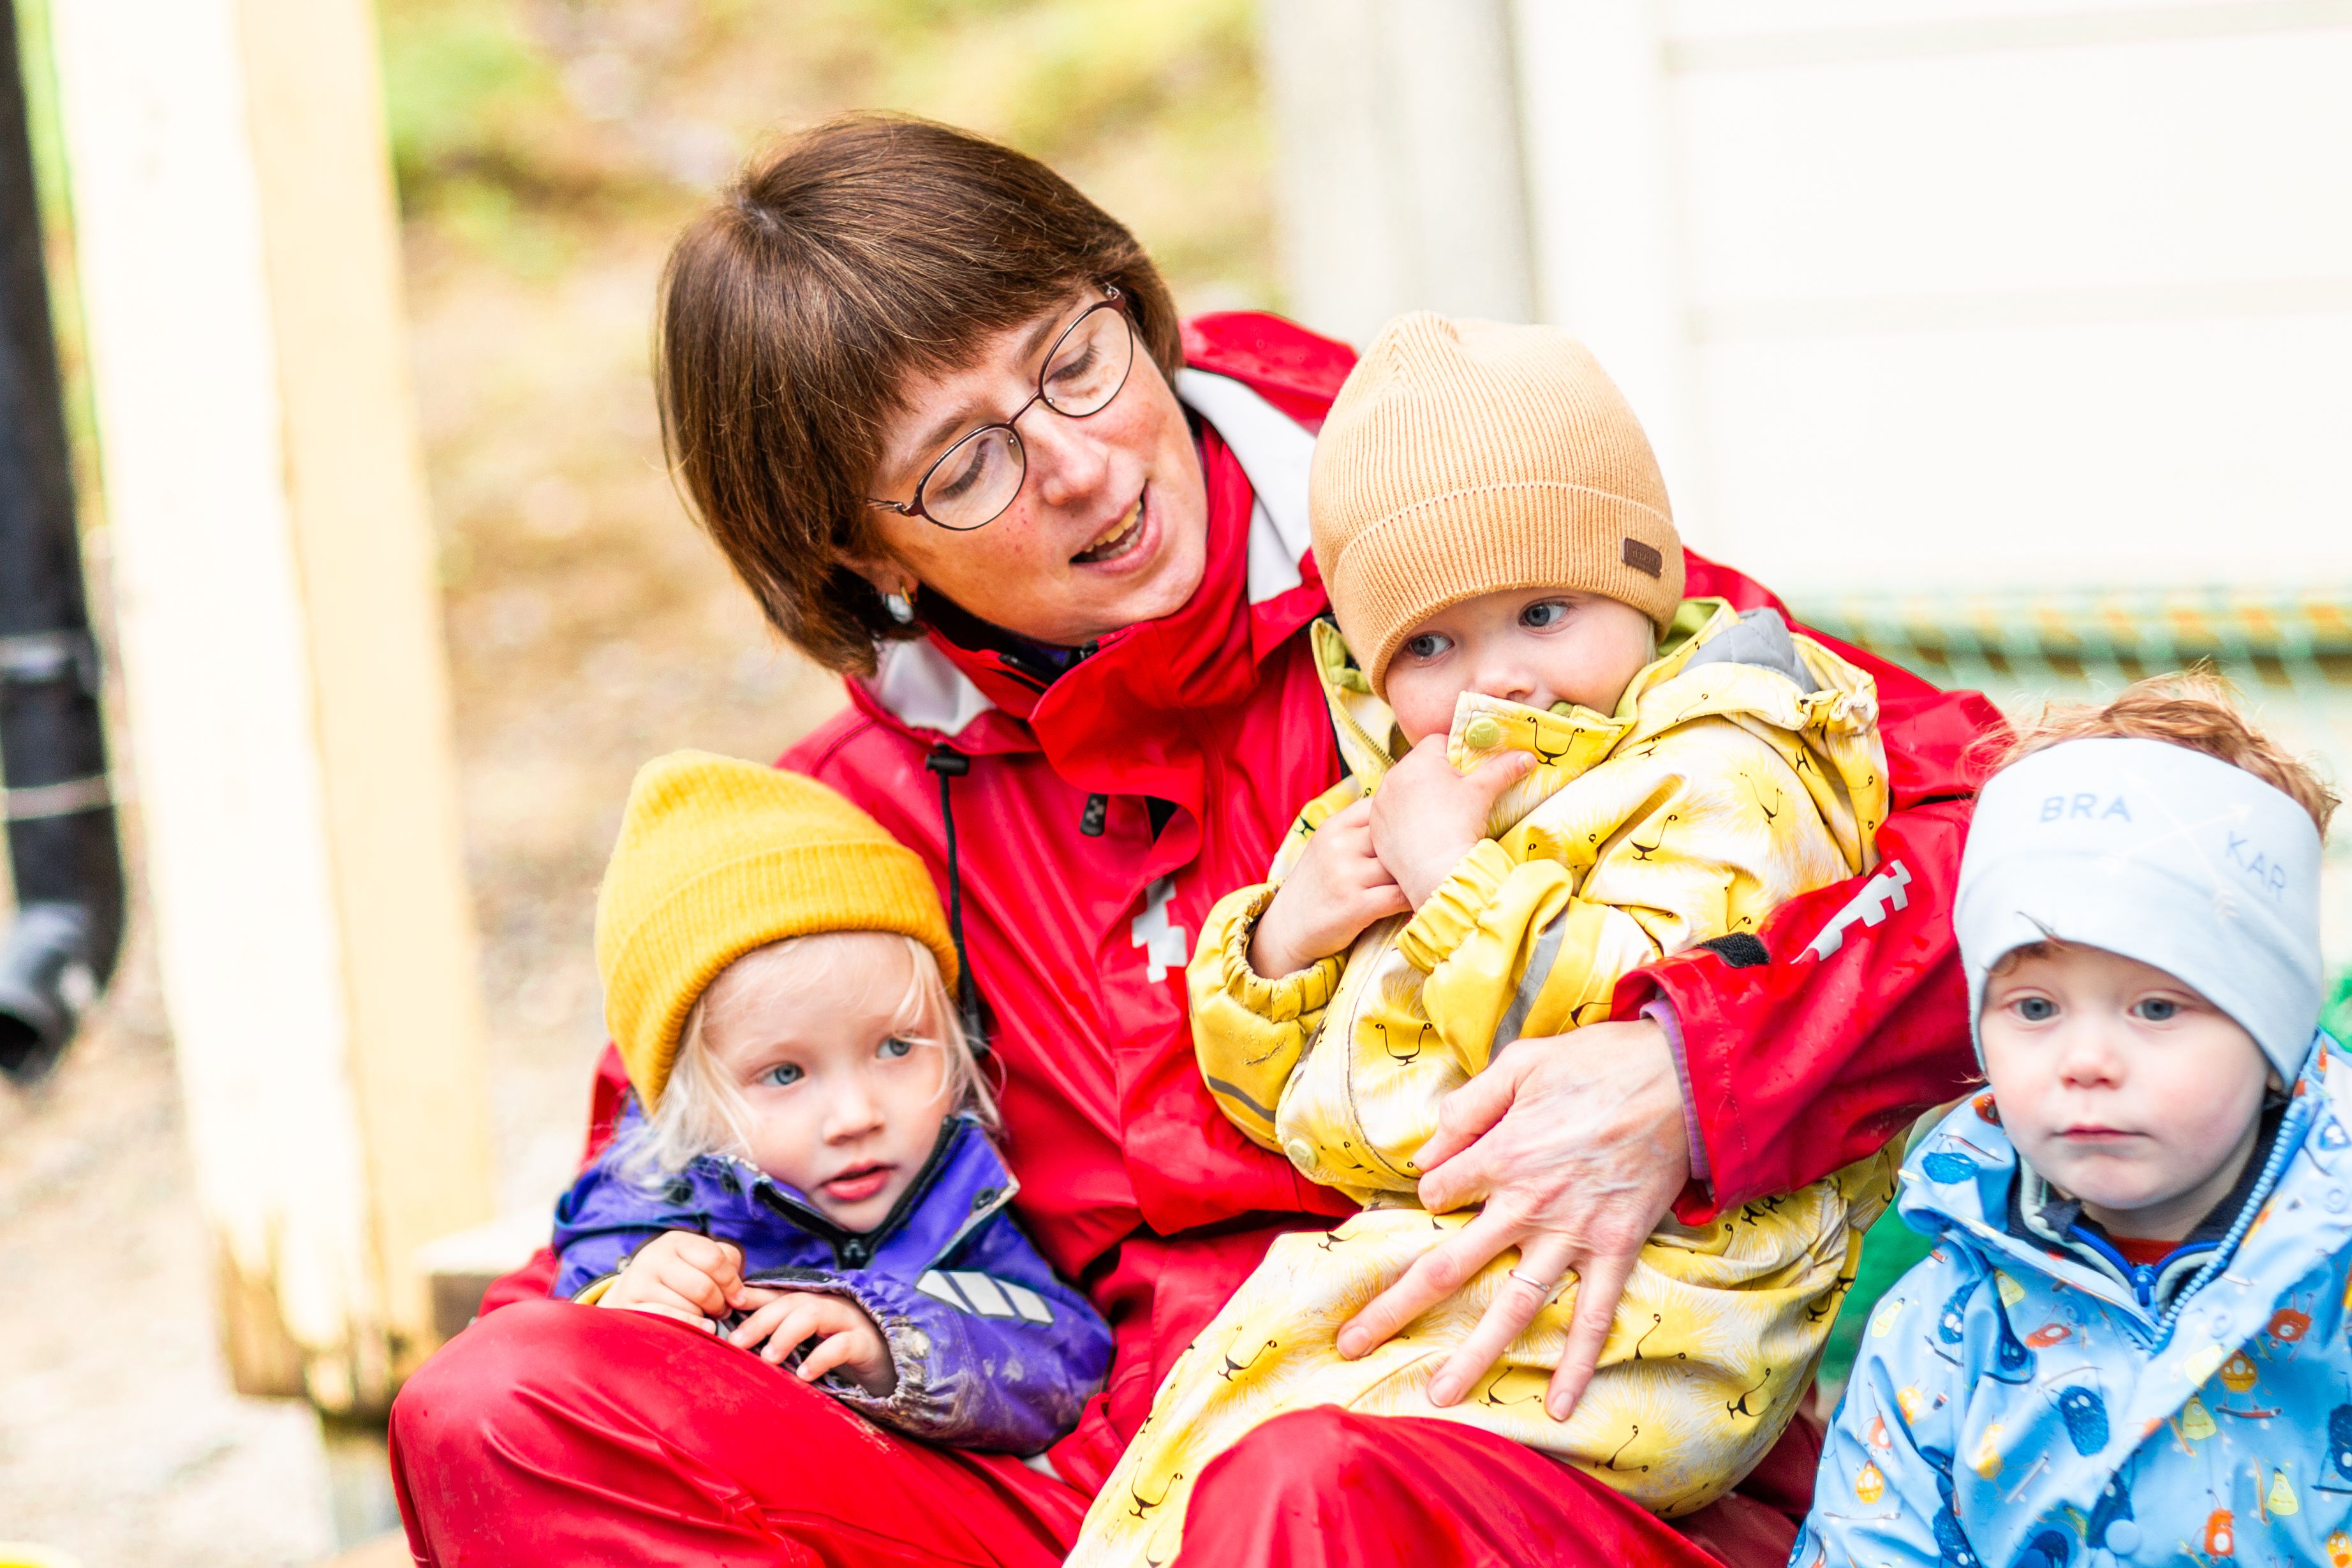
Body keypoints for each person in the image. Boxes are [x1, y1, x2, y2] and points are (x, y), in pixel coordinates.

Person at [390, 114, 2002, 1568]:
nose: (1083, 463)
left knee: (1288, 1498)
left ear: (1129, 293)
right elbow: (654, 1189)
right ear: (854, 556)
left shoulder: (1458, 571)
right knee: (501, 1407)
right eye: (963, 466)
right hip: (1083, 1467)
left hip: (1511, 1440)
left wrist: (1696, 1070)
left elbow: (2003, 828)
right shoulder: (855, 818)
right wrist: (639, 1295)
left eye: (1075, 359)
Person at [1074, 314, 1905, 1566]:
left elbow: (1592, 1045)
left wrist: (1451, 879)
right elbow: (1293, 1107)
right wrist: (1283, 941)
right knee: (1188, 1475)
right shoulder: (1406, 796)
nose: (1501, 679)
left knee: (1267, 1476)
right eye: (1431, 644)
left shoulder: (1728, 765)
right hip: (1450, 1256)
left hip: (1654, 1299)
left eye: (1542, 609)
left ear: (1643, 586)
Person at [1793, 676, 2346, 1568]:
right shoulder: (1943, 1323)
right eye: (2034, 1007)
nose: (2083, 1059)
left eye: (2157, 1008)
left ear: (2273, 1026)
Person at [544, 751, 1109, 1454]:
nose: (855, 1117)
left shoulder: (955, 1198)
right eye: (784, 1075)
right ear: (684, 1104)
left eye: (897, 1048)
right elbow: (558, 1365)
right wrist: (620, 1305)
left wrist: (892, 1341)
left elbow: (1071, 1360)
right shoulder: (647, 1209)